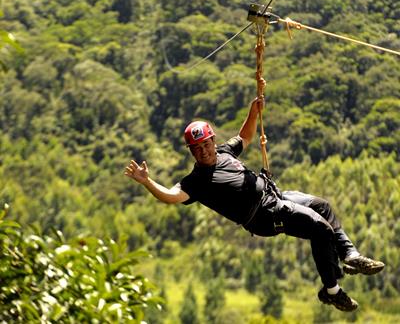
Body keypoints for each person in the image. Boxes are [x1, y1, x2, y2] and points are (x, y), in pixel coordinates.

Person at [124, 89, 385, 312]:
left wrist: (254, 110)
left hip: (274, 195)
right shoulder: (196, 181)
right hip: (264, 216)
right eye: (196, 149)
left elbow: (245, 137)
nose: (202, 151)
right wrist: (147, 182)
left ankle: (350, 254)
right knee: (319, 227)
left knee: (322, 206)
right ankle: (331, 290)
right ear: (192, 152)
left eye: (205, 144)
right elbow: (171, 196)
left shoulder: (225, 151)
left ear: (213, 140)